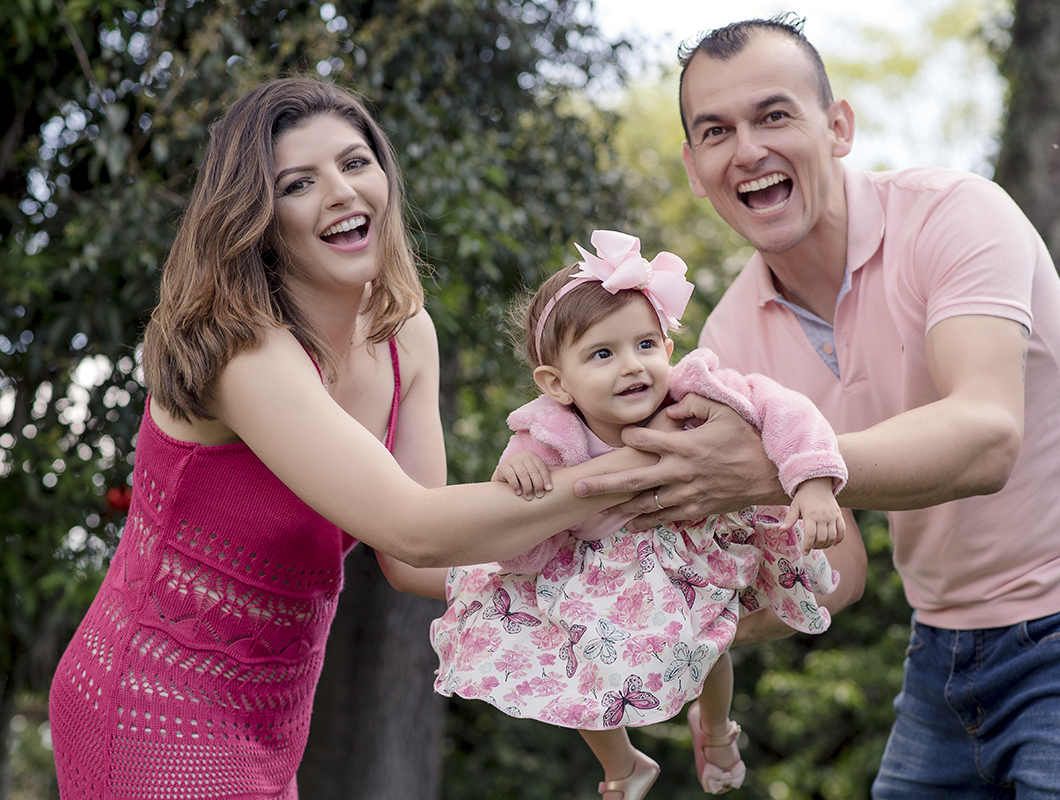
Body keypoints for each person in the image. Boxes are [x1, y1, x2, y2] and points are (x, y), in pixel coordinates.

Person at [573, 14, 1060, 800]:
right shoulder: (729, 340)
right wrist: (703, 628)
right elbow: (841, 568)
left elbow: (987, 436)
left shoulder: (957, 215)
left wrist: (773, 471)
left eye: (774, 115)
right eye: (717, 131)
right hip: (943, 646)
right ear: (695, 168)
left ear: (838, 127)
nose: (749, 149)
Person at [46, 77, 655, 800]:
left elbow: (420, 562)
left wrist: (618, 577)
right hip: (148, 702)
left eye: (355, 163)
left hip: (273, 721)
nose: (341, 192)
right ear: (257, 216)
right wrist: (637, 470)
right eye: (299, 183)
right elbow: (413, 528)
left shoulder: (407, 335)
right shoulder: (244, 350)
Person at [428, 230, 849, 799]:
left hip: (692, 552)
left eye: (646, 344)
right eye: (603, 354)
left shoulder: (695, 392)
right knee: (574, 666)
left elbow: (786, 408)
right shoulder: (547, 434)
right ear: (557, 383)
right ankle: (624, 765)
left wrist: (813, 481)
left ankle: (717, 730)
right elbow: (522, 515)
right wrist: (517, 472)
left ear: (667, 349)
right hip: (601, 574)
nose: (633, 366)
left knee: (712, 648)